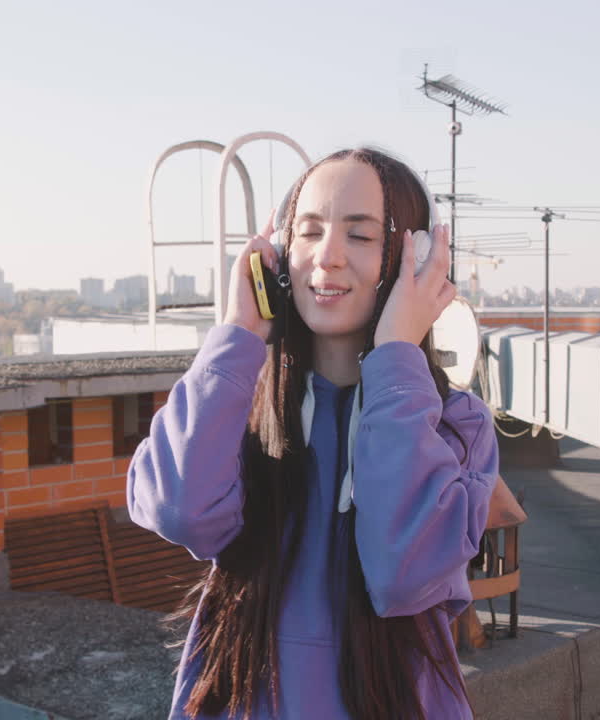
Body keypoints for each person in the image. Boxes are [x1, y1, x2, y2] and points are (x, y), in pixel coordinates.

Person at [127, 146, 498, 719]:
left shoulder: (457, 424)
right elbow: (180, 510)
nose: (327, 258)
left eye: (360, 235)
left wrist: (397, 353)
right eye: (309, 232)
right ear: (277, 256)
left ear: (415, 261)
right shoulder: (240, 402)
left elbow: (402, 570)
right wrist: (236, 336)